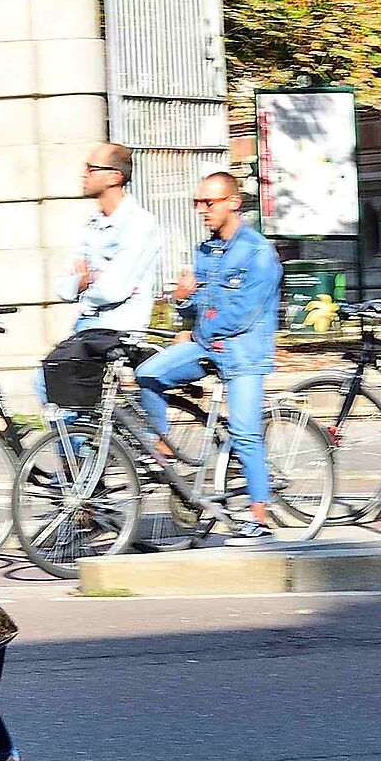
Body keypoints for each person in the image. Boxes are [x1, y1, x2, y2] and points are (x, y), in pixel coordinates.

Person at [137, 170, 284, 543]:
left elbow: (243, 314)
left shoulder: (258, 253)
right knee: (147, 374)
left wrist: (197, 330)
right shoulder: (206, 251)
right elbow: (195, 310)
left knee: (246, 434)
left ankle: (259, 517)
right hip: (208, 347)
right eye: (197, 203)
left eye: (209, 202)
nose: (202, 209)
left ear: (233, 202)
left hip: (244, 355)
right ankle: (164, 447)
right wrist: (183, 298)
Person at [40, 143, 163, 414]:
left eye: (91, 168)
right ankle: (88, 454)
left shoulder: (139, 224)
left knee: (53, 385)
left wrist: (84, 282)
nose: (83, 174)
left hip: (117, 328)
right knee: (48, 383)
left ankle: (86, 454)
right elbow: (63, 286)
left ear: (114, 177)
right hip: (87, 327)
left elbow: (114, 289)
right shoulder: (92, 224)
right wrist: (85, 280)